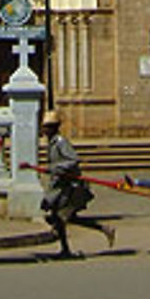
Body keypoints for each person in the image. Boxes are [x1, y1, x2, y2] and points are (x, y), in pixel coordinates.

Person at [40, 109, 115, 259]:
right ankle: (103, 229)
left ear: (54, 128)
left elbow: (73, 160)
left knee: (61, 218)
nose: (45, 130)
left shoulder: (61, 143)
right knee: (64, 217)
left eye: (47, 127)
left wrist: (56, 168)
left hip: (67, 187)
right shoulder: (52, 144)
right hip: (58, 187)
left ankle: (66, 249)